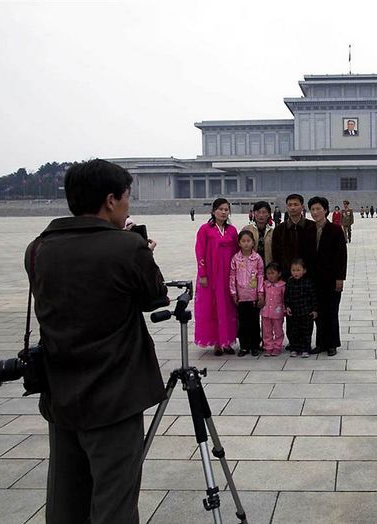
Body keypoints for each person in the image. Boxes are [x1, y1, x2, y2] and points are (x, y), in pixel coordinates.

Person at [26, 159, 168, 523]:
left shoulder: (39, 249)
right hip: (114, 398)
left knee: (65, 502)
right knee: (114, 503)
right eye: (126, 198)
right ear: (109, 200)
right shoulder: (126, 248)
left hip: (61, 396)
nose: (127, 206)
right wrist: (143, 253)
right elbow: (154, 297)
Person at [195, 198, 238, 355]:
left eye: (226, 209)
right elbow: (200, 252)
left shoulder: (232, 231)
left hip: (228, 275)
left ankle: (227, 341)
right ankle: (217, 343)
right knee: (213, 307)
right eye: (220, 209)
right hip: (212, 275)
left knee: (228, 307)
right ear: (213, 211)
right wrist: (203, 274)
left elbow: (237, 252)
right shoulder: (205, 229)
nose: (223, 212)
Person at [307, 196, 347, 357]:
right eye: (313, 209)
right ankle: (321, 343)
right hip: (314, 278)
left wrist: (340, 278)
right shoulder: (309, 229)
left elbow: (342, 256)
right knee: (318, 312)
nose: (315, 212)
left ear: (325, 210)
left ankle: (332, 343)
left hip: (331, 279)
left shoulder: (335, 230)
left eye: (318, 209)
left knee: (331, 311)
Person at [229, 229, 264, 357]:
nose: (246, 244)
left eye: (248, 241)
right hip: (241, 296)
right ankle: (244, 346)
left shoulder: (257, 258)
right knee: (243, 322)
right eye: (243, 241)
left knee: (254, 322)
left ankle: (255, 345)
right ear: (239, 243)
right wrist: (233, 293)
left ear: (253, 243)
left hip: (254, 296)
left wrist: (260, 292)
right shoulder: (236, 259)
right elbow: (232, 277)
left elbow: (261, 275)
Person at [271, 194, 314, 281]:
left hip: (309, 275)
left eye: (296, 204)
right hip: (286, 276)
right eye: (290, 205)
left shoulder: (312, 227)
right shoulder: (279, 229)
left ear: (302, 207)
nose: (292, 208)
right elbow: (276, 254)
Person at [284, 258, 317, 358]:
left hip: (306, 312)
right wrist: (287, 307)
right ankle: (294, 348)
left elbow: (313, 297)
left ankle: (306, 348)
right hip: (294, 312)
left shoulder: (308, 282)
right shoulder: (289, 282)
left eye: (298, 270)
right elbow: (287, 296)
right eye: (293, 270)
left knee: (306, 331)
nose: (296, 273)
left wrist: (315, 309)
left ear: (304, 270)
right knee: (294, 330)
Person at [261, 262, 286, 356]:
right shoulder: (264, 284)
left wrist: (284, 308)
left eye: (273, 273)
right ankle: (268, 347)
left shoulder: (282, 285)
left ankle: (277, 346)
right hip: (266, 312)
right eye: (268, 273)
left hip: (277, 312)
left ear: (279, 273)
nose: (270, 276)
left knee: (278, 330)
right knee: (267, 331)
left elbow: (285, 298)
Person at [243, 200, 274, 266]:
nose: (261, 215)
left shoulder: (272, 232)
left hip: (268, 267)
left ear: (268, 214)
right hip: (250, 267)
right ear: (254, 213)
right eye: (258, 212)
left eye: (264, 212)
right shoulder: (247, 230)